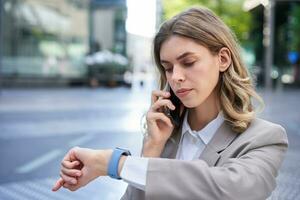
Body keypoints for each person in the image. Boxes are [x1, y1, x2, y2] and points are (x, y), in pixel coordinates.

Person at [52, 7, 288, 200]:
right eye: (168, 67)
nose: (175, 77)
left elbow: (231, 189)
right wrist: (152, 148)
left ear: (223, 59)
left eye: (188, 62)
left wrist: (112, 163)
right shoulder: (164, 134)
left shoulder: (264, 138)